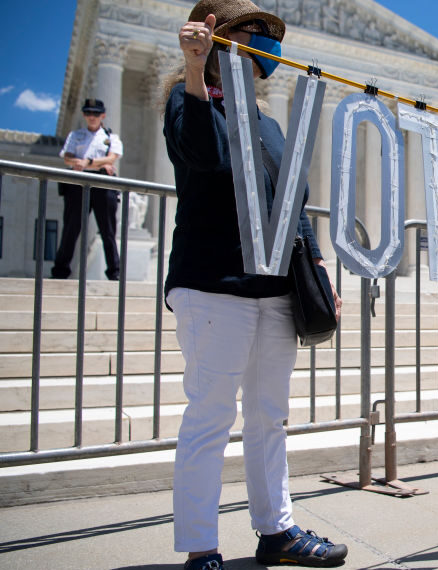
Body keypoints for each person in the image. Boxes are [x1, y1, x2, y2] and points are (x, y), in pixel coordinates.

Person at [164, 1, 345, 568]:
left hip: (274, 287)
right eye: (255, 35)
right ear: (220, 39)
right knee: (211, 417)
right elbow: (205, 157)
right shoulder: (188, 100)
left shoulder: (267, 123)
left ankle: (278, 531)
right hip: (214, 281)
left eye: (271, 39)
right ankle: (201, 548)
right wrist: (195, 73)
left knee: (270, 414)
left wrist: (317, 268)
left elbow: (293, 205)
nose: (266, 46)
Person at [51, 99, 122, 281]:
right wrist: (99, 162)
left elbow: (112, 158)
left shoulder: (111, 137)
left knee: (108, 231)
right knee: (71, 229)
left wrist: (87, 162)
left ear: (103, 116)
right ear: (84, 115)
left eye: (96, 114)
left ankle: (115, 273)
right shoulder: (76, 135)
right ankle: (60, 271)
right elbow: (67, 157)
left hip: (102, 183)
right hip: (78, 184)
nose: (92, 117)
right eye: (89, 113)